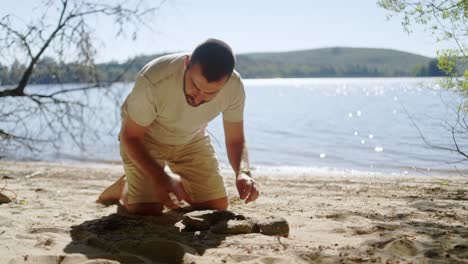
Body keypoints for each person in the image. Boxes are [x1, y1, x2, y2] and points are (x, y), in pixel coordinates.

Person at [96, 39, 259, 215]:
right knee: (147, 211)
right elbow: (131, 137)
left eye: (210, 93)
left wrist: (243, 173)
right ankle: (127, 185)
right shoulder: (154, 79)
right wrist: (160, 176)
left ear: (226, 81)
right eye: (195, 86)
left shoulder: (234, 87)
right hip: (145, 139)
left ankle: (143, 182)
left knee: (216, 207)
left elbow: (236, 140)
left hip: (190, 138)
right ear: (187, 63)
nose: (198, 98)